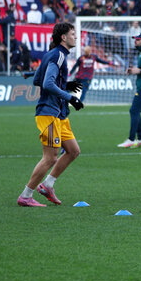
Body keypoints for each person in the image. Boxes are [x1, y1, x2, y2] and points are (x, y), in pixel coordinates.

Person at [17, 22, 85, 207]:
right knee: (51, 157)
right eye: (73, 33)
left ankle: (48, 185)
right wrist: (70, 97)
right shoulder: (59, 56)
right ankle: (26, 195)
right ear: (63, 37)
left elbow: (38, 80)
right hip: (49, 112)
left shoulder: (51, 55)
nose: (75, 37)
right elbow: (47, 83)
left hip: (59, 114)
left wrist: (64, 83)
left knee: (73, 151)